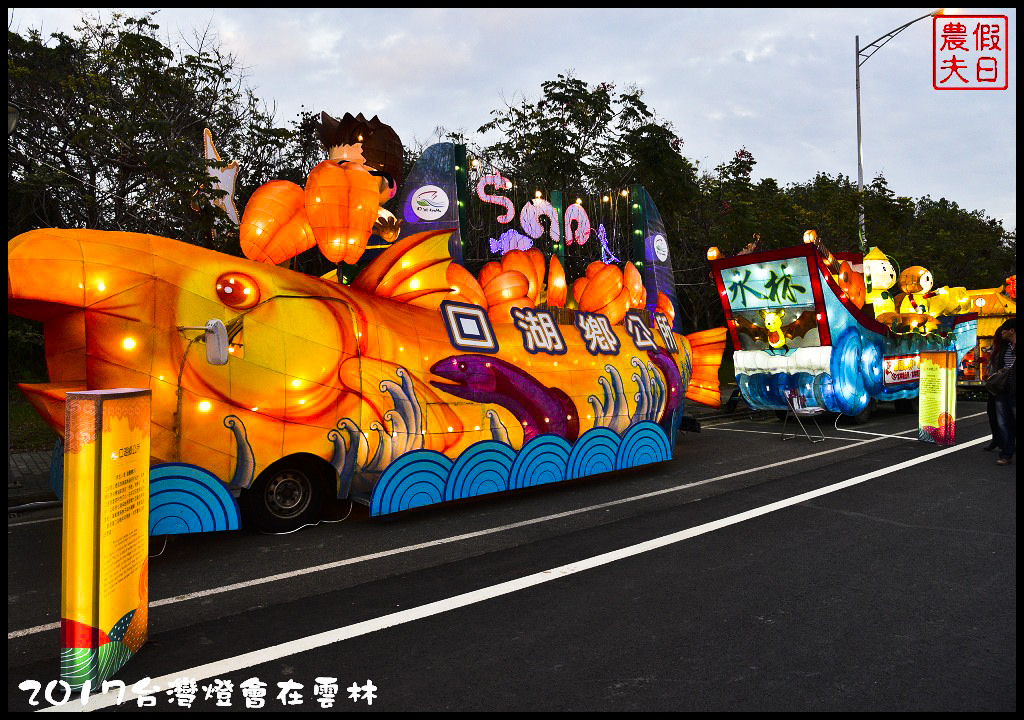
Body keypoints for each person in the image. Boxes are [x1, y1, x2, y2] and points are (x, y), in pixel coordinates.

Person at [988, 318, 1016, 466]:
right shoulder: (1004, 347)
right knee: (1003, 423)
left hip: (1015, 390)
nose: (1002, 332)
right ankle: (1006, 454)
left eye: (1004, 330)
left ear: (1012, 330)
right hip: (1003, 389)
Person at [983, 324, 1008, 452]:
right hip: (994, 385)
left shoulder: (1005, 349)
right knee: (992, 413)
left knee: (1002, 416)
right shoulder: (997, 349)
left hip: (1000, 385)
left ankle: (1004, 442)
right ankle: (997, 439)